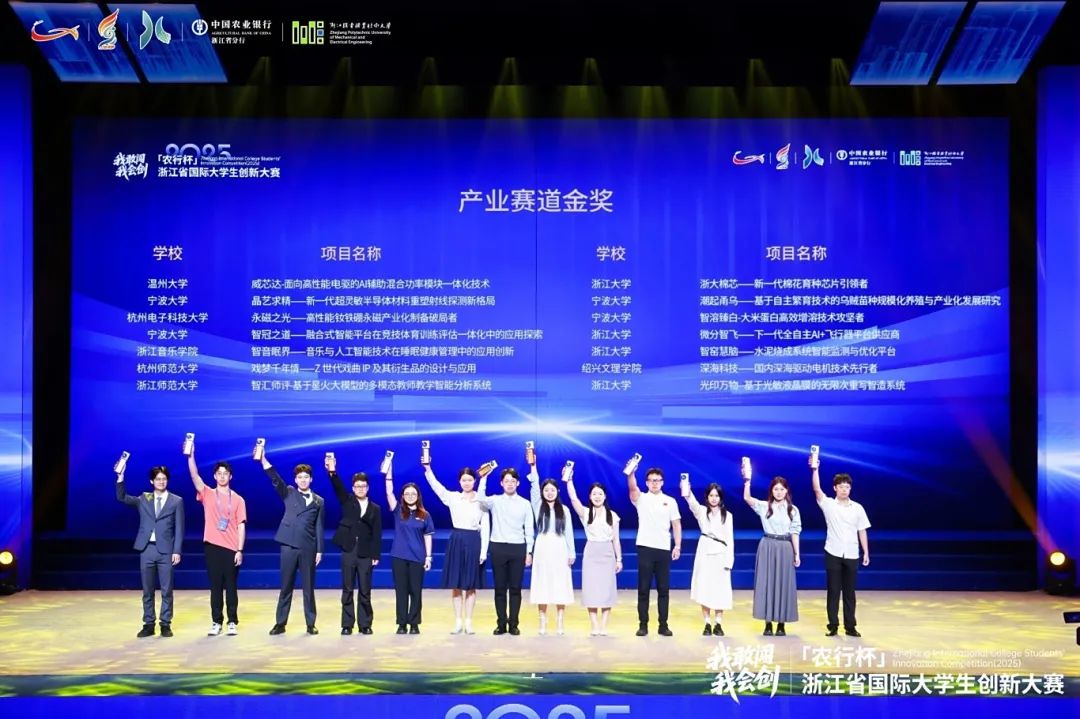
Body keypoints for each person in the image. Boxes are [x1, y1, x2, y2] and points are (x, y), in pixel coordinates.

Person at [421, 460, 490, 635]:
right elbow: (436, 487)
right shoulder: (453, 497)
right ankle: (458, 621)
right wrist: (428, 469)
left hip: (474, 540)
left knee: (471, 584)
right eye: (464, 480)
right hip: (457, 539)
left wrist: (483, 551)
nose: (467, 483)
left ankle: (469, 622)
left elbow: (486, 527)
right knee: (456, 584)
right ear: (459, 481)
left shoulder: (481, 500)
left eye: (470, 480)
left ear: (474, 481)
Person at [260, 451, 325, 636]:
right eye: (300, 477)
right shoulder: (289, 492)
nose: (303, 480)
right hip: (288, 545)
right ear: (296, 480)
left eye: (306, 477)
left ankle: (310, 623)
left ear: (311, 479)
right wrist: (263, 459)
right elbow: (275, 479)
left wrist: (320, 550)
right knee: (286, 586)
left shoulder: (319, 501)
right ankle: (280, 623)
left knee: (308, 587)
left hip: (308, 547)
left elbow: (319, 526)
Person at [115, 464, 184, 638]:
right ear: (152, 481)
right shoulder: (144, 498)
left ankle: (165, 624)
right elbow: (122, 497)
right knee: (147, 590)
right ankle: (148, 624)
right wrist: (120, 477)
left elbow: (180, 528)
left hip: (166, 551)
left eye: (164, 479)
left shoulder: (176, 501)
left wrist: (177, 551)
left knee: (167, 590)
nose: (161, 482)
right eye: (158, 479)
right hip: (146, 549)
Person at [187, 444, 247, 636]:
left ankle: (232, 621)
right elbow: (194, 476)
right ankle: (216, 622)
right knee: (215, 587)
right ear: (214, 476)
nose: (222, 476)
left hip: (231, 548)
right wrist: (191, 455)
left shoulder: (238, 499)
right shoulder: (207, 494)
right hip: (212, 546)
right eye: (219, 473)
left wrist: (239, 550)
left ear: (231, 476)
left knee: (231, 586)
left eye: (225, 474)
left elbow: (241, 526)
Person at [810, 452, 871, 637]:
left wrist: (866, 552)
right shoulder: (829, 504)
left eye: (847, 487)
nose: (845, 490)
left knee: (850, 592)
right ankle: (833, 625)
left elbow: (862, 530)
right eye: (841, 487)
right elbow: (817, 489)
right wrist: (815, 469)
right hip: (833, 552)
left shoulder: (858, 508)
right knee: (834, 591)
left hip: (852, 553)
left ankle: (850, 626)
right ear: (835, 488)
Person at [743, 462, 801, 636]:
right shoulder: (764, 506)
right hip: (767, 545)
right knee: (767, 583)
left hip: (785, 547)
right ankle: (767, 623)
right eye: (776, 489)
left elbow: (795, 532)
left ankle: (781, 624)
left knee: (783, 584)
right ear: (771, 491)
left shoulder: (793, 510)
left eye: (782, 489)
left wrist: (797, 553)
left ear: (787, 491)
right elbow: (747, 498)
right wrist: (747, 480)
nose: (779, 492)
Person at [327, 456, 382, 635]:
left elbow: (377, 533)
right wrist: (332, 472)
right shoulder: (348, 501)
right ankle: (347, 624)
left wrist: (376, 555)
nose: (360, 489)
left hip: (366, 553)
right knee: (347, 589)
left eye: (363, 486)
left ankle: (365, 624)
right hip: (349, 549)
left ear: (368, 488)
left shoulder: (375, 508)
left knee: (365, 590)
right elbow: (338, 487)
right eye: (357, 486)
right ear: (353, 488)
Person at [478, 466, 535, 635]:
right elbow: (480, 499)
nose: (510, 484)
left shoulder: (525, 504)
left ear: (518, 483)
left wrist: (529, 551)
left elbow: (529, 529)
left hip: (518, 547)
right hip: (498, 547)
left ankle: (514, 624)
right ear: (501, 483)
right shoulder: (495, 500)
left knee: (516, 588)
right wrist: (483, 478)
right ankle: (501, 624)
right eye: (506, 481)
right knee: (500, 588)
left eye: (513, 481)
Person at [627, 465, 681, 636]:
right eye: (651, 480)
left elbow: (676, 524)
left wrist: (677, 545)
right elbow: (632, 488)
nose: (654, 483)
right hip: (645, 547)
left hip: (663, 549)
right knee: (643, 588)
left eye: (657, 480)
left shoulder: (670, 501)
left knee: (663, 589)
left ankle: (663, 625)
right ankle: (643, 625)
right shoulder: (641, 498)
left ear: (662, 482)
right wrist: (631, 472)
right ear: (646, 483)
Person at [564, 473, 620, 635]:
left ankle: (604, 626)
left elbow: (616, 539)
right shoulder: (586, 513)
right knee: (591, 589)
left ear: (605, 496)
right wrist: (569, 480)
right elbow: (573, 499)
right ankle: (594, 625)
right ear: (590, 496)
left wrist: (619, 559)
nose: (597, 496)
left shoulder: (613, 515)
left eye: (600, 494)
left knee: (607, 589)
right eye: (594, 494)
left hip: (607, 552)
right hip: (591, 552)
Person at [680, 478, 734, 636]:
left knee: (720, 588)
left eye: (717, 496)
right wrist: (686, 489)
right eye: (711, 495)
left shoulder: (727, 516)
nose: (714, 498)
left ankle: (718, 623)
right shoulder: (702, 512)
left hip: (721, 553)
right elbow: (692, 502)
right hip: (704, 551)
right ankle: (707, 623)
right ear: (707, 497)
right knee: (705, 587)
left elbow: (730, 539)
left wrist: (729, 560)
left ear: (720, 497)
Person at [527, 464, 576, 635]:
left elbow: (568, 532)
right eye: (546, 490)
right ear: (542, 492)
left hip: (560, 547)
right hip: (542, 547)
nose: (549, 493)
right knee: (542, 582)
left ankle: (560, 621)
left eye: (552, 490)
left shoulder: (565, 510)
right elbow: (534, 485)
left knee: (560, 583)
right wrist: (533, 466)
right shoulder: (537, 505)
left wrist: (571, 552)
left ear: (558, 491)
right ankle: (542, 621)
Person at [385, 470, 435, 634]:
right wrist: (389, 472)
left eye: (413, 494)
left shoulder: (425, 515)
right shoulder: (398, 510)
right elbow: (389, 492)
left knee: (415, 591)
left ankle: (414, 623)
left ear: (418, 496)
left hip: (417, 558)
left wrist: (428, 557)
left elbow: (428, 536)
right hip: (399, 556)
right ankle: (401, 624)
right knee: (401, 591)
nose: (410, 496)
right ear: (403, 496)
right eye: (407, 494)